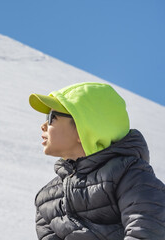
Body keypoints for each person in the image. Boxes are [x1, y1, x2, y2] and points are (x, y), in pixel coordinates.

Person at [29, 82, 165, 240]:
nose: (43, 126)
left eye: (52, 118)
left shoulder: (129, 174)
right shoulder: (47, 199)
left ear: (84, 129)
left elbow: (147, 229)